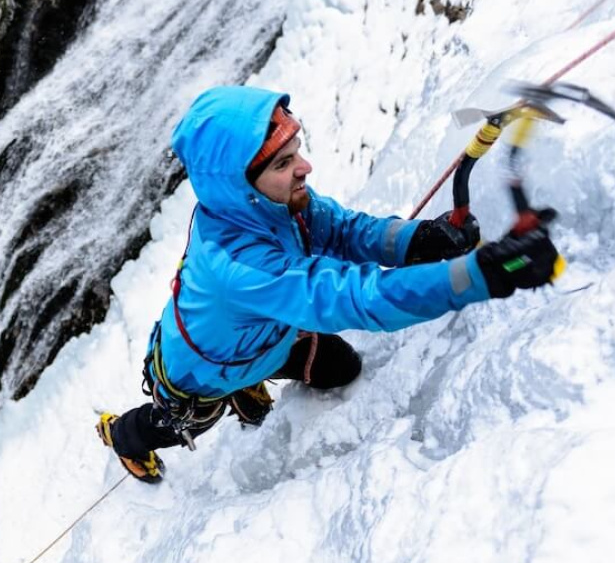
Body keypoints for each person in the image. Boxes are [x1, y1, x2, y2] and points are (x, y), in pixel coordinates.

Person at [97, 85, 560, 482]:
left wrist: (418, 240)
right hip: (198, 375)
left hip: (264, 336)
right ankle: (122, 437)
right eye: (284, 162)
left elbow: (341, 230)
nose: (305, 168)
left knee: (341, 368)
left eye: (296, 151)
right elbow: (359, 298)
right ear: (241, 183)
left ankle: (247, 386)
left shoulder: (271, 202)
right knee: (177, 424)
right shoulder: (238, 267)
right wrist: (483, 274)